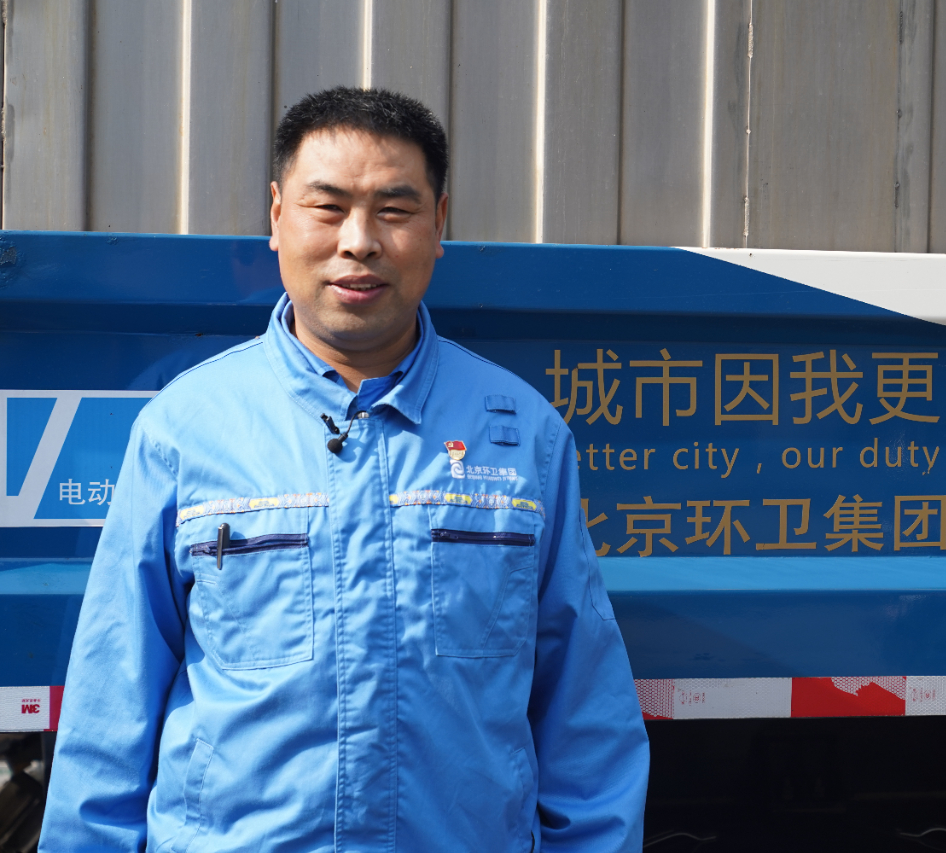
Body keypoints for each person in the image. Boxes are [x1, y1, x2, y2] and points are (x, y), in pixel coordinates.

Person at [40, 87, 649, 852]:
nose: (358, 241)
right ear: (276, 216)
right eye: (327, 207)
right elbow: (111, 699)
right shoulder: (184, 429)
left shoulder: (524, 436)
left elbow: (584, 714)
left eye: (394, 210)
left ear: (439, 223)